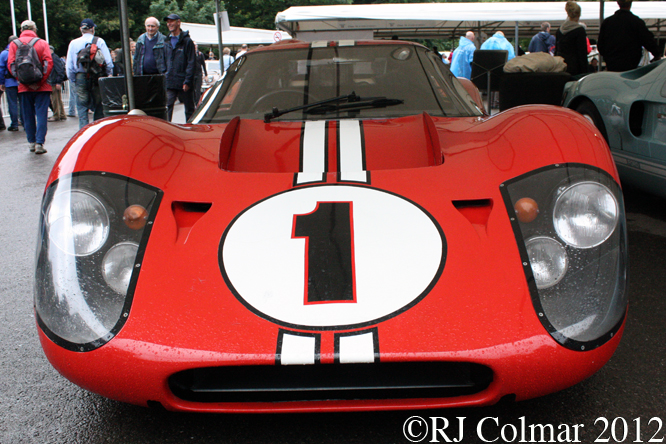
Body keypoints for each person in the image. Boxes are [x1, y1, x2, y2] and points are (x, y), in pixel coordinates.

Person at [7, 20, 53, 154]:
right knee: (41, 114)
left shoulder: (14, 44)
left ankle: (31, 142)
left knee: (27, 115)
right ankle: (39, 143)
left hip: (23, 87)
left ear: (21, 30)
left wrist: (21, 80)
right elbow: (48, 63)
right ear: (35, 29)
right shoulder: (42, 43)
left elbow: (11, 65)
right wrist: (40, 81)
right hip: (42, 86)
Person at [66, 18, 114, 129]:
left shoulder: (73, 43)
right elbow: (108, 62)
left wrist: (73, 79)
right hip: (97, 77)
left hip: (80, 77)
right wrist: (108, 74)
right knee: (98, 106)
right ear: (92, 29)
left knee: (82, 107)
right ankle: (97, 132)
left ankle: (83, 133)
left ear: (80, 29)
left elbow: (69, 66)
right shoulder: (99, 41)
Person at [598, 0, 662, 72]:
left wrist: (608, 57)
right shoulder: (636, 22)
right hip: (631, 64)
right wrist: (656, 54)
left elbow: (600, 45)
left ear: (618, 3)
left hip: (612, 64)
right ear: (631, 3)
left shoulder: (607, 22)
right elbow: (648, 40)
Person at [164, 13, 196, 122]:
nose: (169, 24)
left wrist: (187, 81)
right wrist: (165, 73)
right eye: (168, 22)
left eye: (172, 21)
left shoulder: (187, 41)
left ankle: (191, 130)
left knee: (189, 109)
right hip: (170, 80)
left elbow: (191, 62)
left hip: (183, 81)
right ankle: (166, 130)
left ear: (178, 22)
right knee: (167, 106)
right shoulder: (166, 41)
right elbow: (163, 59)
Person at [555, 1, 588, 76]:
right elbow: (582, 54)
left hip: (561, 67)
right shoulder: (579, 30)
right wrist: (585, 72)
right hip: (575, 69)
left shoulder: (559, 30)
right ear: (579, 14)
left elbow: (556, 51)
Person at [0, 36, 21, 131]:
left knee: (12, 103)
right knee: (23, 103)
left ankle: (15, 124)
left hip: (9, 82)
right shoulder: (21, 51)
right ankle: (25, 122)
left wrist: (1, 82)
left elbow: (1, 69)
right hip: (22, 82)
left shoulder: (4, 54)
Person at [47, 45, 67, 122]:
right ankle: (62, 114)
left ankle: (56, 115)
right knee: (58, 99)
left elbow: (60, 71)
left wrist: (58, 82)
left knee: (55, 100)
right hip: (55, 81)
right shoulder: (55, 57)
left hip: (54, 82)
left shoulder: (53, 58)